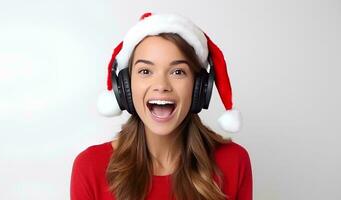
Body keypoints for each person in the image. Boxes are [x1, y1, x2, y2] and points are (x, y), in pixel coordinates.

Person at [70, 12, 252, 200]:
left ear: (199, 87)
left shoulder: (234, 161)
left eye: (178, 72)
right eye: (145, 71)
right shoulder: (90, 168)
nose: (161, 86)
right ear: (126, 86)